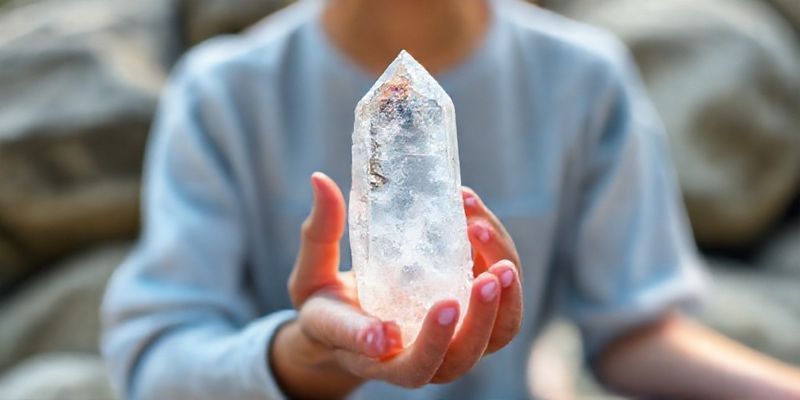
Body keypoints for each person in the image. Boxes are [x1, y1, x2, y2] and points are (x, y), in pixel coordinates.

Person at [101, 0, 800, 398]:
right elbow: (158, 361)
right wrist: (304, 354)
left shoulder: (584, 82)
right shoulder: (223, 95)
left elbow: (635, 330)